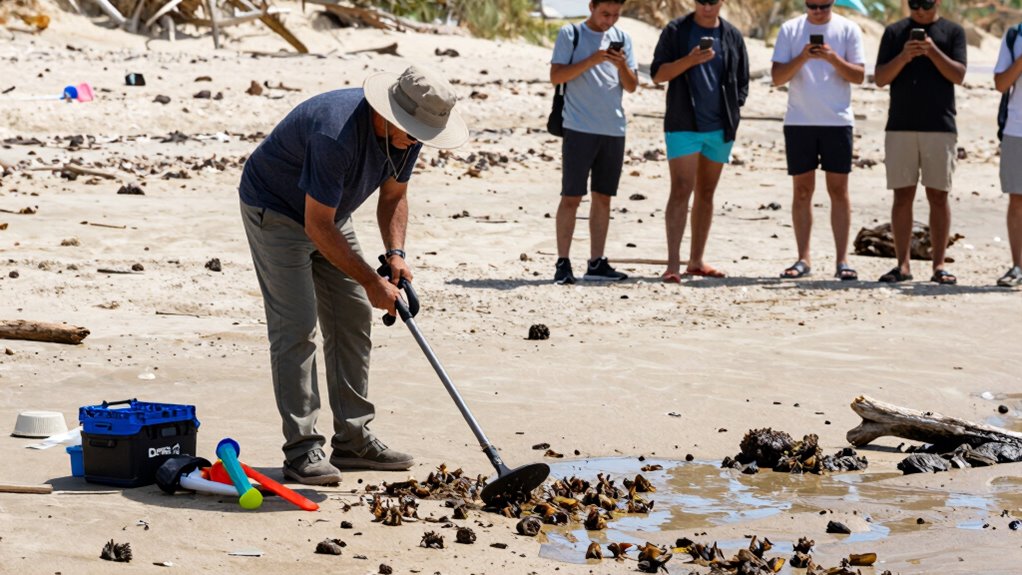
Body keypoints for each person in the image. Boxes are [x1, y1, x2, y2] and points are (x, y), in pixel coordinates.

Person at [238, 66, 468, 484]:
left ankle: (353, 439)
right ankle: (303, 450)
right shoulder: (335, 133)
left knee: (354, 316)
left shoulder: (410, 133)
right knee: (296, 327)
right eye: (412, 131)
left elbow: (395, 194)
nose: (416, 141)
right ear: (390, 112)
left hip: (330, 212)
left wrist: (394, 254)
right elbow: (315, 226)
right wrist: (370, 280)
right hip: (277, 210)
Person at [651, 0, 749, 282]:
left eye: (713, 1)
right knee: (681, 189)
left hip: (720, 128)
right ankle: (673, 263)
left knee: (706, 193)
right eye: (702, 1)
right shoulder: (676, 31)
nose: (707, 6)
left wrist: (734, 107)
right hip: (683, 124)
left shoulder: (732, 35)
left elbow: (741, 80)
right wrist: (690, 60)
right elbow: (658, 75)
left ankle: (696, 260)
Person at [772, 1, 865, 281]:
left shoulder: (848, 29)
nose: (817, 11)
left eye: (823, 6)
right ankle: (803, 258)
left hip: (837, 121)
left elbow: (859, 76)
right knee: (802, 191)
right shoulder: (790, 29)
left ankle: (842, 260)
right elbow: (777, 78)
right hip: (799, 120)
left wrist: (831, 57)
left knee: (839, 190)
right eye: (812, 6)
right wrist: (802, 57)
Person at [874, 0, 965, 285]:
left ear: (937, 2)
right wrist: (903, 57)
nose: (920, 10)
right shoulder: (894, 32)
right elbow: (880, 78)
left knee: (938, 196)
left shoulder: (953, 32)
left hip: (940, 125)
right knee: (902, 196)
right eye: (913, 4)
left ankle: (939, 266)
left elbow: (958, 76)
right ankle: (902, 265)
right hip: (900, 124)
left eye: (925, 4)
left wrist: (933, 51)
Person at [550, 0, 638, 284]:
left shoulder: (623, 38)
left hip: (614, 128)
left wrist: (622, 64)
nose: (609, 20)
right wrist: (593, 59)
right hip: (578, 127)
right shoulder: (570, 34)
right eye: (604, 14)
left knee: (603, 197)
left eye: (615, 14)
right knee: (571, 197)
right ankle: (563, 263)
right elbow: (556, 76)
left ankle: (596, 262)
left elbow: (633, 85)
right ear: (591, 7)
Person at [993, 25, 1022, 287]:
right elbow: (1001, 84)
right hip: (1017, 129)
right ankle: (1018, 266)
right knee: (1017, 199)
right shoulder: (1014, 36)